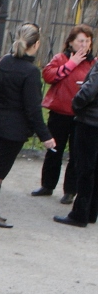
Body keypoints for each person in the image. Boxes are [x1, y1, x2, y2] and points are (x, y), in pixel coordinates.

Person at [0, 23, 56, 227]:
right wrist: (45, 136)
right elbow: (33, 109)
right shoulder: (30, 72)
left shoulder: (4, 62)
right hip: (14, 128)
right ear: (35, 45)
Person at [33, 24, 93, 204]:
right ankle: (47, 185)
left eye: (87, 41)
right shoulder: (60, 58)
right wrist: (71, 63)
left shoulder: (93, 63)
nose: (84, 45)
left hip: (81, 116)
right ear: (71, 42)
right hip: (60, 112)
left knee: (76, 154)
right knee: (54, 150)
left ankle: (70, 191)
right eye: (80, 41)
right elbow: (48, 76)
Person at [54, 52, 98, 228]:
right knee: (94, 168)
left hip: (90, 122)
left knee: (85, 168)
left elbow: (90, 90)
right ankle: (91, 211)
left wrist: (76, 103)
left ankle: (79, 214)